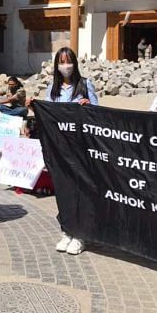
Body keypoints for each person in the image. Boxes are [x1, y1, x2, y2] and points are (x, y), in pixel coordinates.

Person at [44, 47, 98, 256]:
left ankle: (80, 234)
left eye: (68, 61)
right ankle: (67, 229)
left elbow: (98, 115)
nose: (65, 65)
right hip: (60, 148)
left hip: (80, 148)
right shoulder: (52, 88)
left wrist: (88, 106)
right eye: (61, 61)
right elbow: (48, 115)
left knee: (79, 191)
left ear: (74, 63)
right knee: (64, 190)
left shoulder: (85, 85)